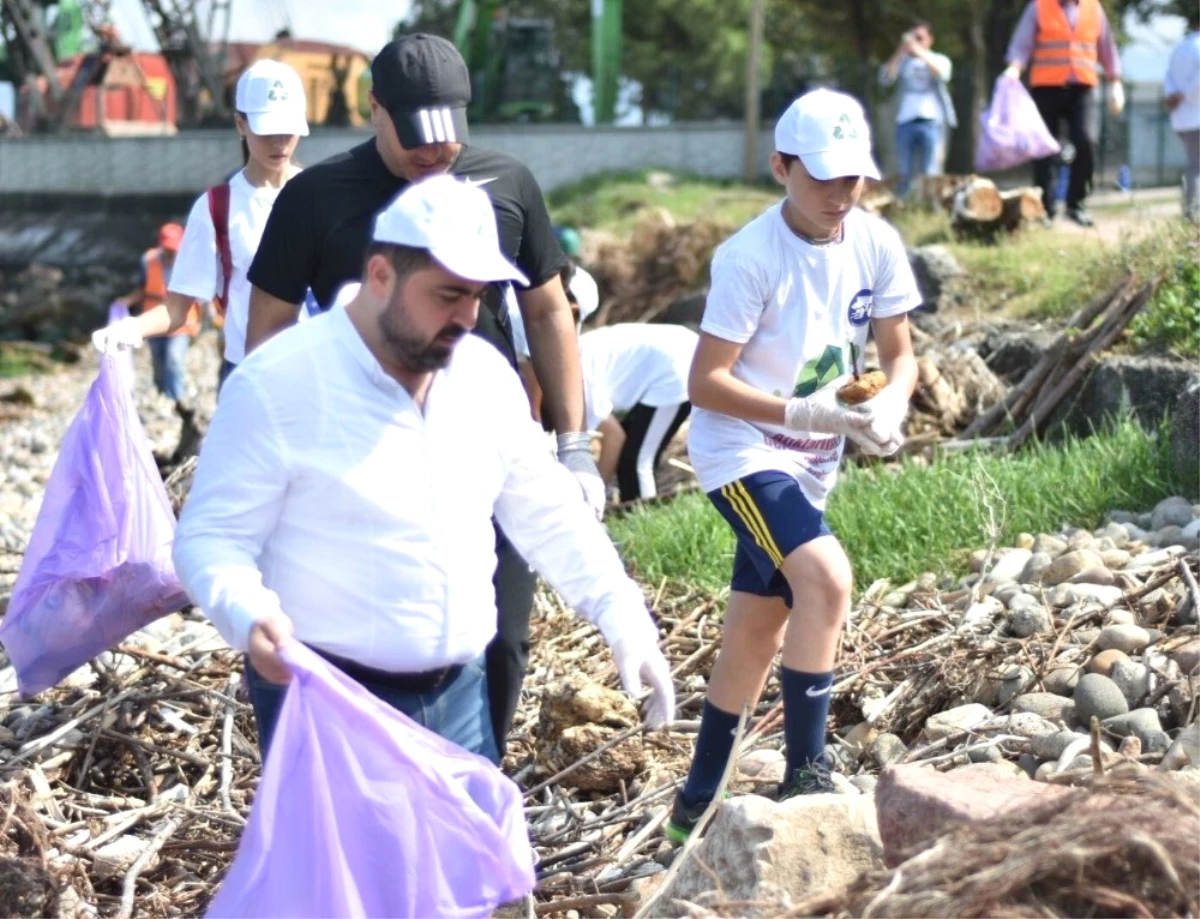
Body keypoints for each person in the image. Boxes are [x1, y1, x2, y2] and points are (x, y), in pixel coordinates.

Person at [172, 175, 675, 762]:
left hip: (461, 697)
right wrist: (247, 613)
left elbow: (548, 512)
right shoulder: (276, 385)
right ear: (381, 275)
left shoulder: (484, 376)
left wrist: (622, 615)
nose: (466, 315)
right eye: (446, 295)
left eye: (478, 295)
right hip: (325, 698)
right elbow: (211, 537)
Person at [243, 33, 602, 753]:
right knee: (375, 634)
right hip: (360, 453)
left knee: (501, 635)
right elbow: (269, 329)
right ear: (374, 109)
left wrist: (575, 444)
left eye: (448, 137)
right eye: (417, 140)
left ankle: (475, 784)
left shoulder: (506, 184)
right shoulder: (317, 200)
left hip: (486, 445)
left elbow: (547, 308)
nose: (435, 156)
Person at [664, 89, 921, 842]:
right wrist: (807, 412)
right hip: (742, 451)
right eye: (825, 178)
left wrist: (892, 406)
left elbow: (899, 354)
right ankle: (805, 768)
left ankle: (693, 808)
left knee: (755, 629)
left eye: (855, 179)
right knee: (826, 576)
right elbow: (704, 382)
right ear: (780, 166)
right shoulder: (749, 256)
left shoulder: (874, 242)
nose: (843, 195)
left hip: (814, 461)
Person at [91, 60, 309, 390]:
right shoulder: (215, 208)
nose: (279, 142)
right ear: (240, 124)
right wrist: (130, 329)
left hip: (317, 369)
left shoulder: (321, 195)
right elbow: (177, 309)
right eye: (267, 130)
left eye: (287, 129)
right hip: (251, 374)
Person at [1003, 0, 1125, 227]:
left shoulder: (1093, 8)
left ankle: (1076, 204)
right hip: (1046, 87)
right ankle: (1045, 209)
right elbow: (1022, 44)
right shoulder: (1039, 6)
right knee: (1043, 149)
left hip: (1083, 87)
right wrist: (1014, 68)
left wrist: (1115, 80)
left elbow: (1107, 46)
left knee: (1086, 141)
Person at [575, 322, 698, 504]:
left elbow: (614, 438)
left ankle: (645, 528)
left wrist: (592, 500)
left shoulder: (575, 383)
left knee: (637, 462)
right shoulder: (565, 362)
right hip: (675, 352)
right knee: (631, 457)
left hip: (674, 368)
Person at [103, 223, 200, 404]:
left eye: (175, 249)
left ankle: (175, 401)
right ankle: (162, 396)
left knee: (174, 360)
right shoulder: (148, 261)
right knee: (159, 364)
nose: (172, 253)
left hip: (181, 322)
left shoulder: (189, 261)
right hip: (154, 322)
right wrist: (126, 301)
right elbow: (143, 290)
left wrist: (208, 319)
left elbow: (201, 293)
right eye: (168, 249)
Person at [880, 21, 956, 198]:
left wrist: (919, 51)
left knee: (931, 170)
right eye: (914, 38)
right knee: (902, 170)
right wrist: (901, 51)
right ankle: (902, 206)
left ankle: (929, 207)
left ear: (930, 39)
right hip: (905, 121)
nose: (916, 42)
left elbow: (942, 73)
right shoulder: (903, 62)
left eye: (920, 38)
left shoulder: (939, 58)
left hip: (932, 122)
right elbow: (885, 79)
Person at [1165, 12, 1200, 223]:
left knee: (1193, 164)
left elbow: (1168, 79)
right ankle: (1191, 212)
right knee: (1196, 166)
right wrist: (1185, 93)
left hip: (1181, 118)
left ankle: (1190, 210)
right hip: (1196, 114)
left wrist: (1175, 95)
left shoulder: (1180, 48)